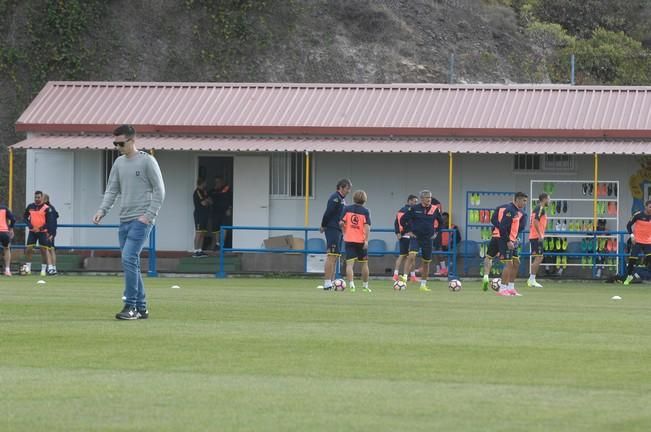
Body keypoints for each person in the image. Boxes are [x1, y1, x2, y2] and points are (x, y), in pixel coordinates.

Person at [93, 124, 165, 320]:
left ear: (132, 140)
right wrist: (102, 210)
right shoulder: (118, 163)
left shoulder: (147, 161)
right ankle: (141, 308)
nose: (118, 147)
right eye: (115, 144)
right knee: (130, 262)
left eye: (121, 143)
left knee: (128, 258)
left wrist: (148, 216)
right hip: (124, 220)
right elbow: (112, 190)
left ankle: (130, 306)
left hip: (140, 220)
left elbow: (160, 191)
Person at [485, 192, 528, 296]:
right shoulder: (510, 210)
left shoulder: (517, 211)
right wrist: (508, 241)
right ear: (517, 200)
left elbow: (513, 227)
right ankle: (502, 289)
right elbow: (503, 227)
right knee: (509, 264)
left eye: (526, 201)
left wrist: (515, 238)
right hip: (505, 240)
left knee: (516, 263)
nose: (525, 203)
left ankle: (511, 288)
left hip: (512, 240)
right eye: (524, 201)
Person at [399, 189, 443, 292]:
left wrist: (436, 233)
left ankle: (423, 285)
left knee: (426, 262)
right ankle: (405, 277)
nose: (429, 199)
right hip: (416, 237)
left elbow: (441, 223)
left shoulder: (434, 209)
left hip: (428, 239)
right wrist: (408, 231)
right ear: (422, 199)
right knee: (412, 255)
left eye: (430, 197)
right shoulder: (414, 208)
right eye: (427, 198)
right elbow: (402, 220)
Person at [319, 178, 352, 290]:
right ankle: (327, 282)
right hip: (332, 229)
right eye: (348, 188)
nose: (349, 191)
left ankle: (331, 282)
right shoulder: (335, 198)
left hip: (338, 230)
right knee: (331, 256)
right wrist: (323, 225)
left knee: (335, 257)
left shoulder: (341, 199)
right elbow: (328, 213)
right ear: (341, 187)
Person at [340, 190, 372, 293]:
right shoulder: (366, 211)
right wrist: (366, 240)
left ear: (354, 198)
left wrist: (345, 231)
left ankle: (351, 285)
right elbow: (367, 227)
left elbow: (341, 223)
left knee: (349, 264)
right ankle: (365, 286)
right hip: (361, 241)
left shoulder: (346, 208)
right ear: (364, 199)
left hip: (349, 240)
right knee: (364, 264)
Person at [23, 190, 54, 276]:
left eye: (38, 197)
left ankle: (43, 270)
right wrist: (30, 226)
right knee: (28, 249)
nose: (37, 199)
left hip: (42, 232)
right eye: (35, 197)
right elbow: (25, 217)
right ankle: (28, 268)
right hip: (32, 232)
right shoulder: (30, 206)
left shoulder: (46, 208)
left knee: (43, 250)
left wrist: (40, 228)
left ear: (42, 198)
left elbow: (49, 222)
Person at [623, 200, 651, 285]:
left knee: (650, 259)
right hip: (637, 241)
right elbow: (628, 225)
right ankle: (629, 276)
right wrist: (632, 236)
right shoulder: (638, 215)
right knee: (632, 260)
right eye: (650, 207)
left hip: (648, 242)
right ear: (645, 207)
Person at [393, 194, 418, 281]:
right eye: (414, 201)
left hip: (402, 236)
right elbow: (407, 223)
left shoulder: (400, 210)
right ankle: (412, 276)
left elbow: (396, 223)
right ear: (409, 201)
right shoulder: (410, 211)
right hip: (408, 236)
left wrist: (398, 233)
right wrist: (406, 232)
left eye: (416, 202)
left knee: (403, 256)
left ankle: (396, 275)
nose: (415, 203)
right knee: (410, 256)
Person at [527, 192, 550, 288]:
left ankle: (532, 279)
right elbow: (535, 221)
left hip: (534, 236)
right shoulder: (540, 208)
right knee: (539, 257)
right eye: (549, 199)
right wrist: (540, 235)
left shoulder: (537, 208)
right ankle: (532, 279)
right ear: (544, 199)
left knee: (538, 257)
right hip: (536, 237)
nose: (549, 200)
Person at [433, 211, 461, 277]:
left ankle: (446, 270)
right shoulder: (438, 228)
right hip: (441, 246)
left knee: (454, 252)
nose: (444, 220)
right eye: (442, 219)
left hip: (451, 246)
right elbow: (436, 238)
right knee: (435, 250)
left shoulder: (453, 227)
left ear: (448, 219)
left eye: (445, 219)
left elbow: (458, 238)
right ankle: (440, 269)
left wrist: (450, 244)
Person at [209, 176, 232, 250]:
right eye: (216, 182)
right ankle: (217, 244)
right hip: (215, 212)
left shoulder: (226, 189)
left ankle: (222, 245)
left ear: (222, 182)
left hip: (224, 212)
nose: (217, 183)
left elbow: (231, 199)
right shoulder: (212, 191)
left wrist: (229, 208)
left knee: (224, 229)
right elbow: (207, 198)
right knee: (216, 230)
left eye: (218, 181)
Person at [192, 178, 211, 257]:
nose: (206, 184)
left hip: (204, 215)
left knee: (203, 233)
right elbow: (203, 203)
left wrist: (207, 201)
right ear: (201, 183)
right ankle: (196, 251)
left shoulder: (204, 192)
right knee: (199, 233)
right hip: (199, 215)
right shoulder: (197, 192)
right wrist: (207, 201)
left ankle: (200, 250)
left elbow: (210, 201)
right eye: (205, 183)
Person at [42, 193, 59, 275]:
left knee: (49, 249)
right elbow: (57, 215)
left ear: (45, 200)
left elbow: (52, 221)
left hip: (49, 232)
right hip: (50, 231)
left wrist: (51, 233)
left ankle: (51, 268)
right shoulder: (51, 208)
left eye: (42, 198)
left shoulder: (49, 209)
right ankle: (53, 268)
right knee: (50, 248)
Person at [0, 201, 16, 276]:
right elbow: (13, 219)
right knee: (7, 248)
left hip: (3, 231)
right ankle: (7, 270)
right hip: (4, 232)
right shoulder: (4, 208)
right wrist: (11, 228)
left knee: (7, 248)